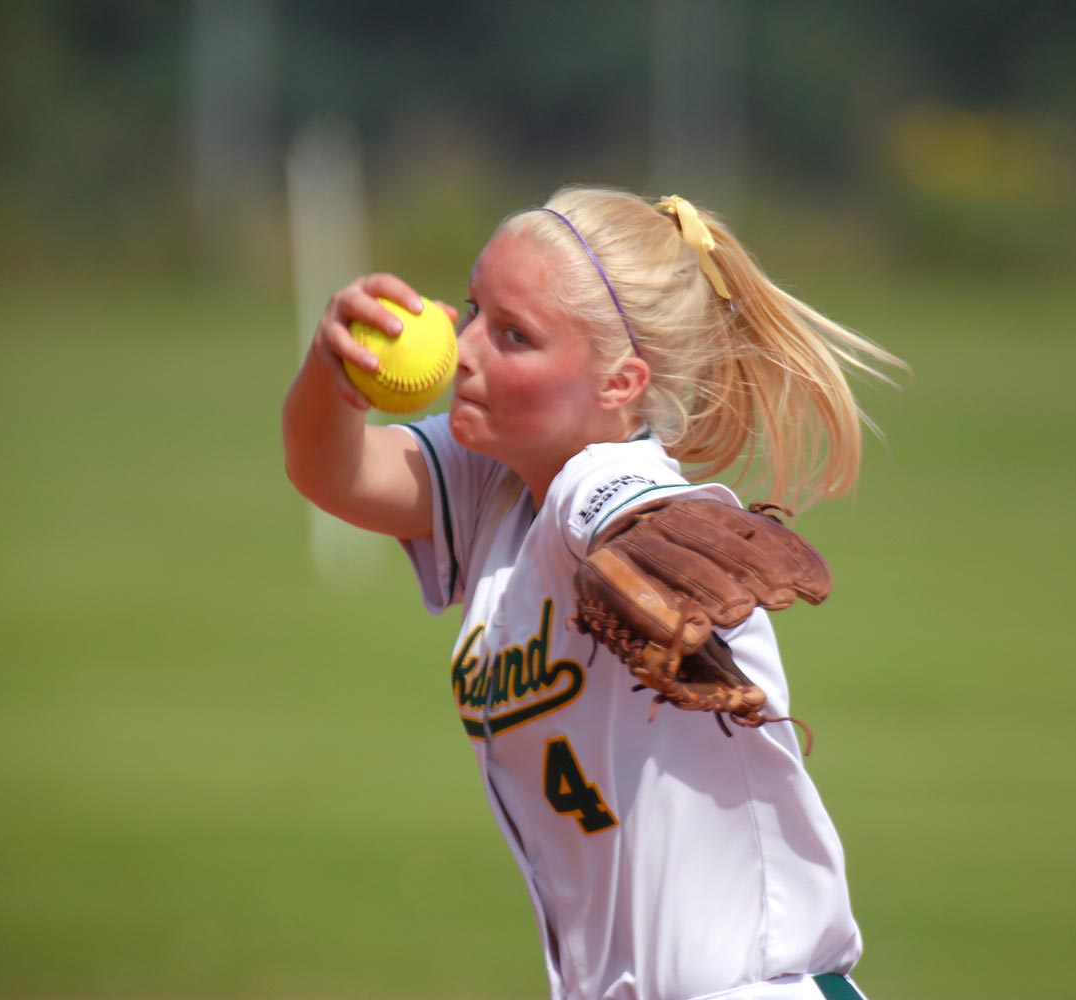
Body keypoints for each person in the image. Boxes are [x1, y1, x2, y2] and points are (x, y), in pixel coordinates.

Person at [282, 186, 907, 1000]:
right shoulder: (496, 489)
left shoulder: (605, 481)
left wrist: (644, 537)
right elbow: (330, 471)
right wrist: (332, 375)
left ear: (621, 383)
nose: (465, 349)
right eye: (473, 311)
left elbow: (622, 506)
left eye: (514, 336)